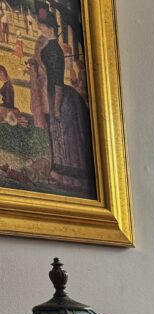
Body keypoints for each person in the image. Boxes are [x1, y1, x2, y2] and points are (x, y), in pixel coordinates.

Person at [36, 9, 95, 197]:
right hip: (53, 94)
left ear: (48, 27)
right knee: (57, 135)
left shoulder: (54, 51)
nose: (39, 29)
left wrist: (55, 109)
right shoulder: (50, 48)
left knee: (64, 137)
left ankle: (69, 178)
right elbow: (46, 71)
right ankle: (60, 175)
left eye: (41, 26)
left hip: (60, 98)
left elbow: (58, 82)